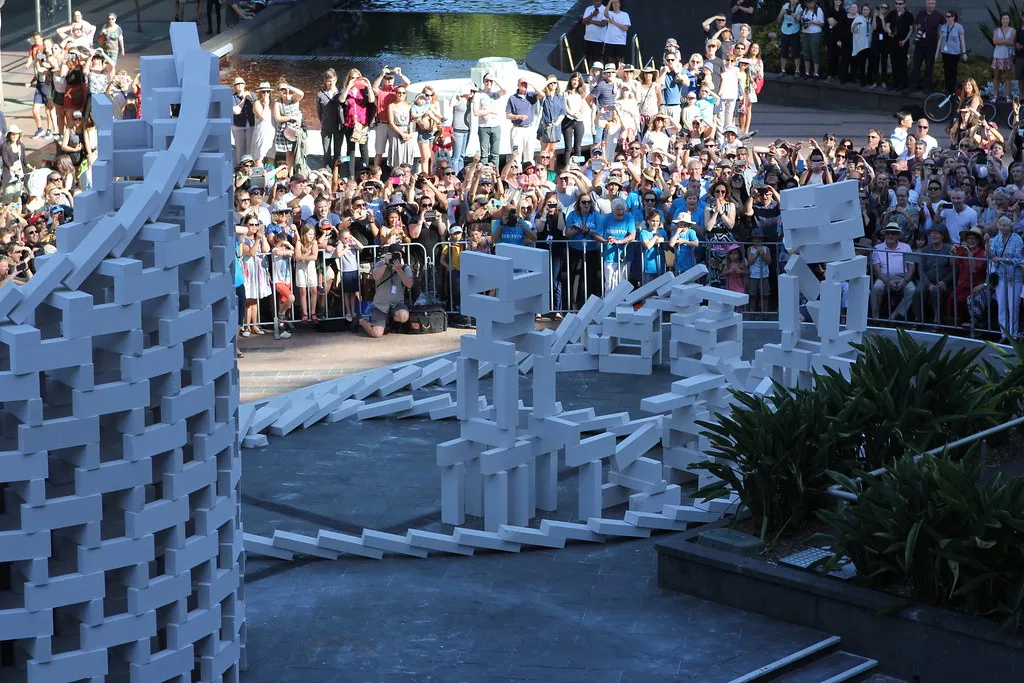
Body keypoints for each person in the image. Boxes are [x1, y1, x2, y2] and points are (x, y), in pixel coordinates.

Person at [360, 244, 413, 338]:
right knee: (377, 334)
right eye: (394, 254)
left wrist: (399, 270)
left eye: (399, 254)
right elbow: (375, 276)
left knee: (403, 316)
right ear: (388, 254)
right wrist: (386, 263)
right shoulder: (381, 264)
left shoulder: (405, 268)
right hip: (380, 305)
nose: (396, 257)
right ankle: (361, 321)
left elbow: (409, 284)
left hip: (396, 304)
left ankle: (389, 322)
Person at [871, 221, 917, 320]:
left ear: (898, 235)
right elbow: (877, 270)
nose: (890, 235)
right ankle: (876, 317)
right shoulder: (877, 248)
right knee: (876, 288)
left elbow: (911, 267)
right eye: (888, 233)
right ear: (884, 235)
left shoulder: (906, 247)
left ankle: (895, 315)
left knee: (912, 290)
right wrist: (887, 281)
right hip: (884, 276)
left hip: (902, 276)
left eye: (893, 233)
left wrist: (905, 281)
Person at [988, 215, 1024, 339]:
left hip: (1014, 277)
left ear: (1011, 227)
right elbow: (992, 254)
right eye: (1000, 225)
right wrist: (987, 245)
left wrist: (1004, 259)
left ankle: (1013, 334)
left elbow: (1019, 258)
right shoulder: (996, 239)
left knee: (1013, 306)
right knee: (1002, 305)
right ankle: (1003, 334)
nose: (1002, 227)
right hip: (1000, 276)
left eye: (1005, 225)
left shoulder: (1017, 239)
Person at [913, 223, 953, 323]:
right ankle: (918, 319)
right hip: (927, 280)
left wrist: (945, 281)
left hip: (943, 281)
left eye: (937, 233)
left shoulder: (950, 249)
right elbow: (921, 270)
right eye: (932, 233)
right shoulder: (925, 250)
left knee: (936, 291)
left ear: (943, 236)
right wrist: (929, 284)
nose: (934, 236)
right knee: (918, 291)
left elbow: (954, 269)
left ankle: (937, 320)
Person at [339, 69, 373, 179]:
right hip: (350, 124)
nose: (355, 80)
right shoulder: (345, 90)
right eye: (352, 78)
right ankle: (351, 175)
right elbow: (341, 100)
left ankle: (365, 174)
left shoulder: (363, 92)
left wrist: (368, 87)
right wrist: (348, 87)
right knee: (350, 150)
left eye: (357, 78)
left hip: (362, 124)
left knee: (364, 149)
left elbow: (372, 100)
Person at [908, 0, 942, 93]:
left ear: (935, 5)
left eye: (932, 3)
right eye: (928, 3)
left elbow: (945, 26)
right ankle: (912, 86)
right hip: (919, 45)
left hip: (931, 46)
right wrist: (916, 27)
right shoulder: (921, 13)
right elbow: (914, 24)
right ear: (926, 4)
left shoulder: (938, 15)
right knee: (916, 66)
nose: (930, 5)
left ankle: (926, 88)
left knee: (929, 67)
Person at [474, 73, 506, 167]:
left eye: (490, 81)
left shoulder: (496, 94)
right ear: (483, 82)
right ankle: (483, 174)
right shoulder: (478, 95)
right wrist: (490, 111)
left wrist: (495, 79)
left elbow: (505, 90)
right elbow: (476, 112)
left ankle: (495, 175)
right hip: (483, 127)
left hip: (495, 126)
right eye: (486, 81)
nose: (488, 83)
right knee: (484, 154)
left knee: (495, 153)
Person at [506, 78, 539, 167]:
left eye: (525, 84)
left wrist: (532, 83)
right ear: (518, 85)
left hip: (529, 128)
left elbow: (542, 94)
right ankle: (517, 174)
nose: (523, 86)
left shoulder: (531, 95)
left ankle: (530, 174)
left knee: (529, 154)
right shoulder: (512, 98)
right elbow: (508, 115)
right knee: (516, 154)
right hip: (517, 128)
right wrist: (518, 116)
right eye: (522, 84)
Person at [273, 81, 303, 175]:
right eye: (281, 89)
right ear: (278, 91)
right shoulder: (278, 103)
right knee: (289, 152)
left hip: (297, 129)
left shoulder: (294, 98)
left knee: (298, 151)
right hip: (286, 131)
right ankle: (290, 174)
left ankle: (299, 172)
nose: (284, 91)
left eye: (285, 89)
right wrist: (291, 117)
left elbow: (301, 93)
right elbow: (278, 118)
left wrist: (289, 87)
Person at [316, 69, 343, 171]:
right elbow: (319, 111)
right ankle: (327, 171)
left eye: (332, 80)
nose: (330, 83)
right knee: (326, 151)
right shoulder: (320, 94)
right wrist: (323, 121)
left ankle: (337, 171)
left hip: (339, 127)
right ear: (325, 81)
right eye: (328, 81)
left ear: (336, 79)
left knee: (338, 151)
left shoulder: (340, 93)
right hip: (326, 126)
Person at [936, 10, 966, 96]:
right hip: (945, 52)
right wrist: (937, 52)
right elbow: (940, 40)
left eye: (949, 16)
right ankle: (947, 89)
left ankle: (952, 90)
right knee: (946, 71)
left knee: (953, 71)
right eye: (946, 16)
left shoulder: (959, 27)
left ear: (953, 17)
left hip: (955, 53)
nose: (947, 18)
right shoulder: (944, 27)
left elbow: (962, 40)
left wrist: (964, 52)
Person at [886, 0, 914, 91]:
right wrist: (890, 32)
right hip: (892, 42)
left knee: (902, 63)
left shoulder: (909, 15)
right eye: (896, 4)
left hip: (903, 43)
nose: (898, 5)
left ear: (904, 4)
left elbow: (911, 29)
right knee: (893, 63)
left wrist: (905, 40)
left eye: (900, 4)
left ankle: (903, 83)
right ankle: (895, 83)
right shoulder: (892, 13)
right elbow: (887, 25)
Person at [992, 12, 1016, 103]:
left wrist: (1000, 41)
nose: (1005, 20)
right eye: (1003, 19)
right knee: (996, 76)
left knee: (1007, 77)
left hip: (1008, 56)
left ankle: (1007, 96)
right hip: (997, 55)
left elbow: (1011, 42)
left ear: (1009, 20)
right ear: (1001, 20)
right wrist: (1006, 40)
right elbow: (994, 41)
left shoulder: (1012, 30)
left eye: (1006, 19)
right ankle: (995, 95)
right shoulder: (996, 30)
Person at [799, 0, 826, 80]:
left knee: (815, 53)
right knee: (806, 52)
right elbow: (803, 21)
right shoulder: (806, 10)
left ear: (814, 2)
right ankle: (807, 72)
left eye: (811, 3)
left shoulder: (819, 10)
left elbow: (822, 23)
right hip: (805, 33)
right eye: (808, 3)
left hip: (815, 33)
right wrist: (802, 20)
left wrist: (812, 22)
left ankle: (816, 73)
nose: (809, 4)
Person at [231, 77, 254, 167]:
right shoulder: (232, 97)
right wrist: (244, 99)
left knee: (250, 148)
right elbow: (236, 111)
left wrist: (250, 99)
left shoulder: (252, 94)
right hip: (238, 125)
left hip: (251, 124)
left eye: (241, 83)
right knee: (239, 148)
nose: (239, 85)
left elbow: (257, 106)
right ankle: (240, 168)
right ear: (234, 87)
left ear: (244, 85)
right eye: (237, 84)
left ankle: (250, 167)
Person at [778, 0, 804, 77]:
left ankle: (797, 71)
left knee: (796, 51)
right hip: (785, 30)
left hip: (794, 31)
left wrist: (793, 15)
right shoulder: (785, 6)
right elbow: (778, 20)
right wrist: (782, 13)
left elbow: (798, 20)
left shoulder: (799, 8)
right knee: (784, 51)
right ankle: (782, 70)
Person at [603, 0, 631, 67]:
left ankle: (621, 74)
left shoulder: (624, 14)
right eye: (613, 2)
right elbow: (605, 13)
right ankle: (611, 73)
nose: (615, 4)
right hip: (609, 40)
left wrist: (614, 22)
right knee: (610, 59)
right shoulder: (610, 13)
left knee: (620, 59)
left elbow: (625, 28)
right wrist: (609, 2)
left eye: (617, 2)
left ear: (620, 4)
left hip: (620, 41)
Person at [851, 3, 872, 86]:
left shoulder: (871, 19)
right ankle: (862, 80)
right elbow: (853, 30)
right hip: (861, 45)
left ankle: (869, 79)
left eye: (867, 10)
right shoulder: (858, 18)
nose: (865, 11)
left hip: (869, 45)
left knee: (871, 64)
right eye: (864, 10)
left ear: (870, 11)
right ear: (861, 10)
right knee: (862, 64)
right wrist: (854, 27)